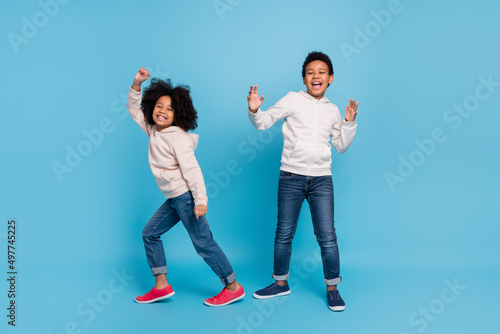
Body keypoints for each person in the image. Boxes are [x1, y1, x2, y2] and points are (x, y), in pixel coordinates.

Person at [247, 51, 359, 311]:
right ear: (304, 79)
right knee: (284, 233)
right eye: (310, 72)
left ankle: (332, 288)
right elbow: (263, 122)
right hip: (291, 176)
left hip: (322, 180)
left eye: (321, 72)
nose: (316, 76)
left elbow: (341, 146)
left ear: (330, 78)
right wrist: (254, 110)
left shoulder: (332, 110)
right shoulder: (292, 100)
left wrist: (349, 123)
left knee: (327, 235)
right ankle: (280, 283)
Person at [127, 67, 244, 306]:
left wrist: (200, 200)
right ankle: (161, 286)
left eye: (169, 109)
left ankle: (233, 286)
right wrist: (136, 84)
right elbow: (133, 110)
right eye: (159, 105)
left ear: (177, 115)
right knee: (150, 234)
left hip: (187, 198)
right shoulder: (153, 130)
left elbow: (193, 171)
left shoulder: (178, 137)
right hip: (174, 199)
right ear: (152, 107)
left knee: (203, 243)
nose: (162, 111)